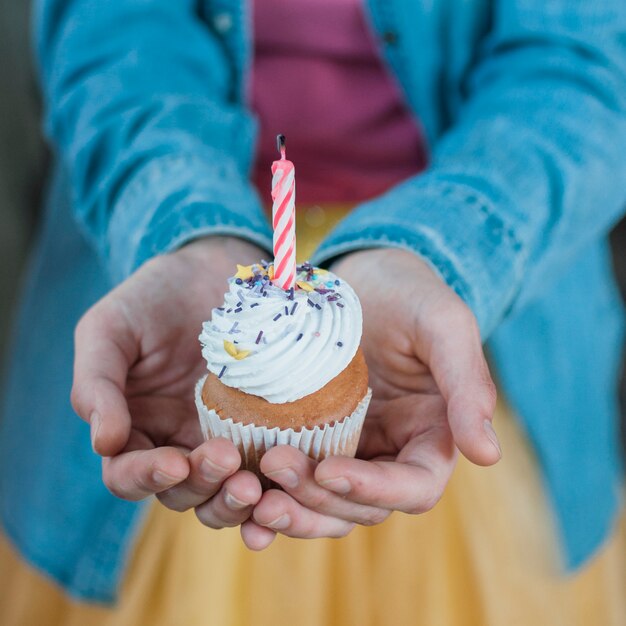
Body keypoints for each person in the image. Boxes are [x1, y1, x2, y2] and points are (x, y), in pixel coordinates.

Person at [1, 0, 626, 624]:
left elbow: (580, 66)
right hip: (170, 243)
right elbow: (114, 35)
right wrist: (183, 225)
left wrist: (438, 251)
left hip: (475, 270)